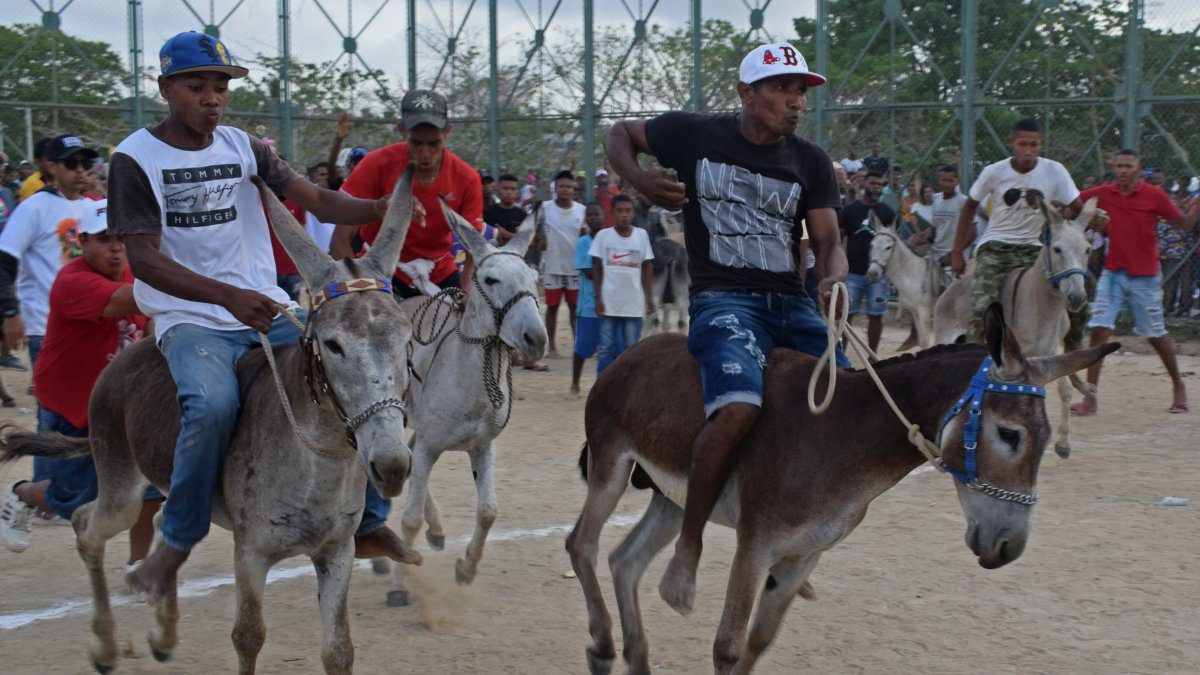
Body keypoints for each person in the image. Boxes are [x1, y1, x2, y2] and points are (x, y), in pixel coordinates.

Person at [106, 31, 403, 597]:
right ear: (167, 87)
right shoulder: (134, 158)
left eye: (220, 87)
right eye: (197, 86)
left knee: (349, 375)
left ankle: (365, 522)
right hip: (190, 317)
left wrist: (374, 207)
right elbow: (143, 260)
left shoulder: (245, 146)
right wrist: (224, 296)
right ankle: (175, 543)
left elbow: (314, 199)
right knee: (212, 405)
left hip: (266, 305)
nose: (212, 98)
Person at [605, 41, 848, 614]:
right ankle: (688, 546)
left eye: (800, 92)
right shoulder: (694, 134)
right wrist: (639, 181)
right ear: (747, 92)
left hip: (791, 303)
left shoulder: (808, 160)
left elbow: (830, 242)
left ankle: (791, 542)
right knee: (739, 407)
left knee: (850, 402)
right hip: (725, 300)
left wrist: (834, 277)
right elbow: (620, 131)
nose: (795, 102)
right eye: (782, 89)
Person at [0, 200, 161, 562]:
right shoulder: (73, 281)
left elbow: (149, 320)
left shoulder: (136, 273)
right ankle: (24, 493)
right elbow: (132, 301)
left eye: (121, 237)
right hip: (72, 402)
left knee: (148, 490)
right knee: (73, 499)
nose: (116, 246)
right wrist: (198, 287)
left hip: (121, 404)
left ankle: (139, 567)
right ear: (82, 240)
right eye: (104, 238)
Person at [1070, 149, 1197, 416]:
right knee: (1099, 331)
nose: (1123, 171)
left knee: (1155, 336)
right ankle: (1090, 398)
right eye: (1119, 166)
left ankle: (1178, 386)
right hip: (1114, 273)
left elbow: (1184, 224)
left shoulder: (1154, 195)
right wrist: (1086, 216)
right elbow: (1073, 205)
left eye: (1128, 166)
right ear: (1114, 168)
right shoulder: (1104, 193)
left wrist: (1195, 211)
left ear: (1138, 169)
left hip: (1146, 276)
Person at [331, 88, 484, 299]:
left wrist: (466, 292)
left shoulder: (467, 178)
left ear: (447, 132)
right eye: (416, 143)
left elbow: (473, 252)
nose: (425, 154)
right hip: (379, 270)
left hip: (438, 273)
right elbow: (340, 238)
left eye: (434, 144)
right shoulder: (376, 164)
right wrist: (358, 287)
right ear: (402, 130)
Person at [950, 118, 1085, 345]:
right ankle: (974, 355)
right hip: (996, 247)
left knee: (1076, 299)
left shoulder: (1055, 171)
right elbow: (970, 205)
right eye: (1022, 144)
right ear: (1011, 143)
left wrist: (1067, 224)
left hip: (1035, 249)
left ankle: (1073, 357)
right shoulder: (994, 171)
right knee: (983, 306)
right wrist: (956, 252)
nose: (1028, 151)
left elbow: (1078, 210)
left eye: (1034, 145)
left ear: (1041, 144)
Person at [0, 134, 98, 372]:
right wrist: (10, 312)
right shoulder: (34, 207)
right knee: (53, 406)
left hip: (88, 323)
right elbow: (4, 261)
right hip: (46, 326)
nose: (80, 170)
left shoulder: (91, 208)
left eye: (85, 163)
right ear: (52, 166)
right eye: (71, 163)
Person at [590, 194, 654, 374]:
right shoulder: (603, 236)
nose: (624, 215)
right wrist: (597, 298)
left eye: (628, 211)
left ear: (633, 213)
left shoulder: (641, 236)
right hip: (609, 303)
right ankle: (601, 388)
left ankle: (628, 390)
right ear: (612, 213)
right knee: (605, 350)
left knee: (631, 350)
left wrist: (649, 296)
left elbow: (647, 266)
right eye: (619, 211)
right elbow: (597, 268)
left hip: (633, 303)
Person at [838, 170, 894, 352]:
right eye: (873, 183)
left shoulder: (888, 212)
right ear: (864, 185)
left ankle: (873, 357)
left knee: (876, 315)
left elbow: (893, 243)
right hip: (852, 272)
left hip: (878, 276)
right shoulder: (850, 210)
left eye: (879, 184)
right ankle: (841, 359)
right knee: (847, 316)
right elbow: (838, 239)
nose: (876, 187)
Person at [539, 170, 586, 361]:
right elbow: (537, 232)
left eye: (568, 186)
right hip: (551, 266)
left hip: (574, 268)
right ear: (555, 188)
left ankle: (577, 345)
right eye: (561, 186)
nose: (565, 189)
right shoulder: (544, 208)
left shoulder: (581, 210)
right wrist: (540, 242)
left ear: (573, 189)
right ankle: (552, 346)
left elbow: (584, 237)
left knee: (575, 307)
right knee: (552, 307)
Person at [571, 203, 604, 396]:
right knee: (583, 346)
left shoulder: (610, 238)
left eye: (596, 214)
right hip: (589, 304)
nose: (593, 217)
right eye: (589, 215)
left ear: (603, 216)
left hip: (611, 302)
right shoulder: (584, 242)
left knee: (610, 347)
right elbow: (589, 271)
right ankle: (575, 381)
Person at [482, 173, 523, 245]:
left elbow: (528, 241)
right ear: (497, 190)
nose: (509, 192)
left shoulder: (523, 214)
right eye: (505, 188)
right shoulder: (487, 213)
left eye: (513, 189)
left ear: (517, 192)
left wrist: (506, 234)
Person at [16, 138, 55, 204]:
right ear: (38, 162)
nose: (52, 162)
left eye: (55, 156)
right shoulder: (32, 183)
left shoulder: (61, 180)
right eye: (48, 158)